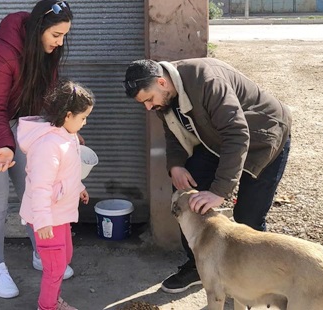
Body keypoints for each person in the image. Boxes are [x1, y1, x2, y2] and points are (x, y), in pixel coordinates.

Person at [123, 58, 292, 294]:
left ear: (162, 82)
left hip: (263, 139)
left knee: (248, 215)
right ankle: (198, 266)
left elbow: (237, 134)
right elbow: (173, 132)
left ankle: (252, 280)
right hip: (214, 141)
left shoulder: (207, 80)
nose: (148, 108)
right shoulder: (164, 96)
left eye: (149, 100)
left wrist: (219, 191)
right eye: (144, 103)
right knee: (186, 197)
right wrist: (176, 166)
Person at [0, 0, 75, 299]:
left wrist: (63, 131)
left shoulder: (46, 54)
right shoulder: (0, 54)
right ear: (39, 30)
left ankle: (41, 253)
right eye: (56, 35)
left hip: (21, 125)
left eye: (64, 36)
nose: (60, 42)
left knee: (34, 192)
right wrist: (6, 148)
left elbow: (49, 97)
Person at [17, 80, 94, 310]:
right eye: (83, 117)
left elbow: (67, 172)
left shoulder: (66, 135)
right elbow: (40, 186)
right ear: (68, 115)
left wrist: (78, 187)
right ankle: (47, 306)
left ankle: (54, 300)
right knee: (54, 268)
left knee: (64, 258)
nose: (85, 122)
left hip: (60, 214)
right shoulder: (49, 144)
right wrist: (41, 221)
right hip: (47, 218)